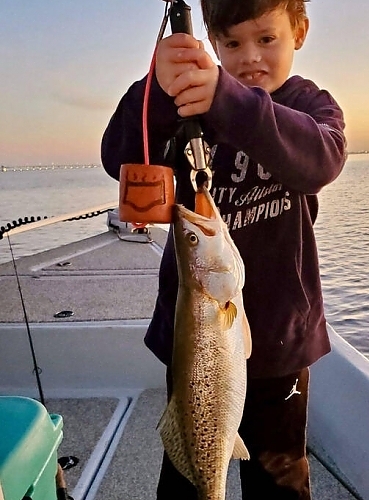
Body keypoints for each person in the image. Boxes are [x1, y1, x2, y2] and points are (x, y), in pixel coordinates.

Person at [101, 0, 346, 498]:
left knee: (279, 477)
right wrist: (154, 90)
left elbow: (321, 161)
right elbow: (120, 158)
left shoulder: (308, 107)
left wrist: (228, 100)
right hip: (192, 337)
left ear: (299, 31)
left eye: (266, 39)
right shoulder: (182, 103)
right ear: (212, 43)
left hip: (280, 338)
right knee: (187, 466)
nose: (250, 56)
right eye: (231, 44)